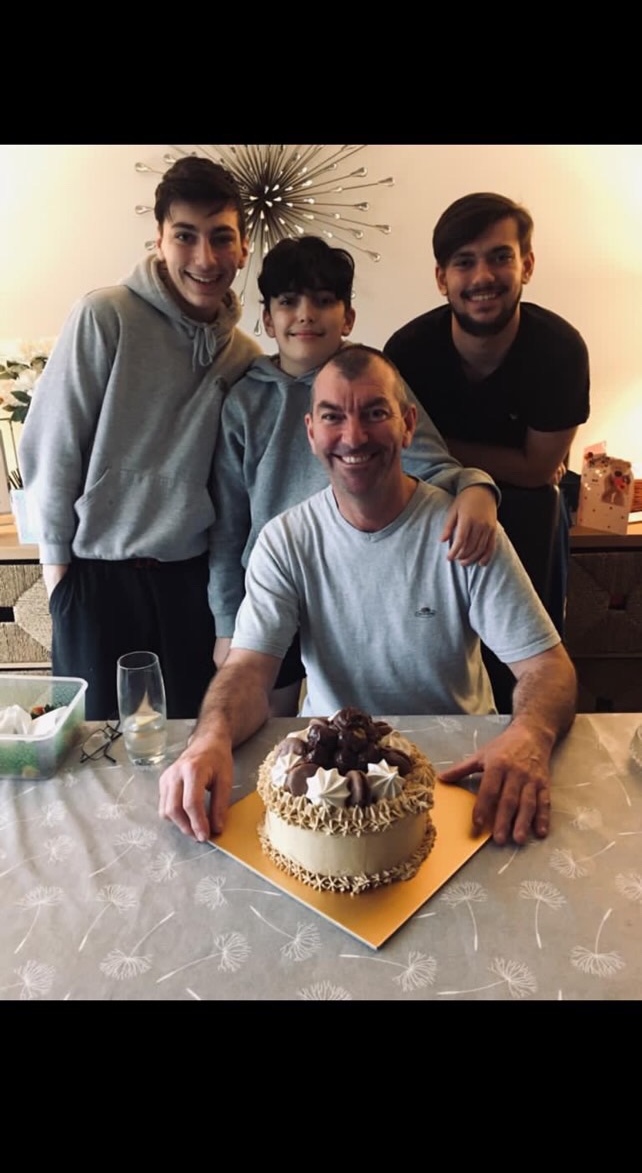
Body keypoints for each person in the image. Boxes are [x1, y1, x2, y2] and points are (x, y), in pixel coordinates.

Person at [159, 346, 577, 849]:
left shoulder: (463, 529)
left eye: (375, 413)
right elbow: (247, 670)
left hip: (456, 770)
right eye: (333, 417)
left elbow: (549, 668)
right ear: (311, 432)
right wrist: (209, 738)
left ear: (408, 424)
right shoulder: (285, 541)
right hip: (333, 777)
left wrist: (529, 735)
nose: (353, 436)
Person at [209, 235, 501, 715]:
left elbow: (433, 465)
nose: (306, 315)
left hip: (348, 582)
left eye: (323, 301)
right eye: (289, 302)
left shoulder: (376, 384)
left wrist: (476, 486)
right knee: (267, 725)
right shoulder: (245, 401)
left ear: (347, 318)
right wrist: (227, 623)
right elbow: (228, 526)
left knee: (349, 710)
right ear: (267, 319)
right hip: (273, 586)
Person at [19, 157, 262, 720]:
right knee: (93, 748)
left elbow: (230, 491)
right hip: (96, 577)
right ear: (159, 239)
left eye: (221, 237)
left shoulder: (244, 358)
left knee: (191, 743)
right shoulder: (105, 316)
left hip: (189, 583)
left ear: (243, 248)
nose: (204, 258)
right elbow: (53, 446)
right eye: (185, 236)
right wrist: (59, 579)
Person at [384, 192, 590, 644]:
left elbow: (537, 471)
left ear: (527, 265)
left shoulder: (561, 351)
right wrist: (502, 465)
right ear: (441, 278)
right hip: (434, 504)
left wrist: (434, 446)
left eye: (500, 257)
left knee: (545, 503)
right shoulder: (407, 353)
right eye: (464, 262)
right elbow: (398, 456)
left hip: (530, 508)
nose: (483, 277)